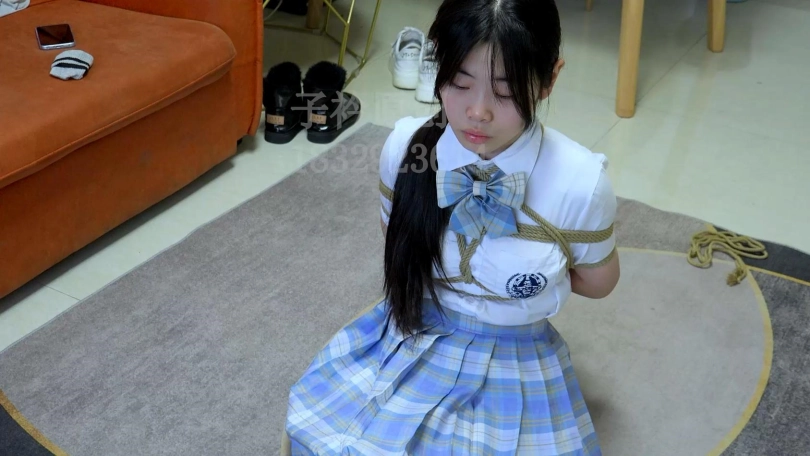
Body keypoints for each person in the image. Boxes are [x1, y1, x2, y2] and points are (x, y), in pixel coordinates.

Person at [285, 0, 620, 453]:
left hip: (516, 356)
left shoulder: (580, 182)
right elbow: (397, 239)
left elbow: (599, 283)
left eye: (505, 92)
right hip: (416, 326)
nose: (477, 111)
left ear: (550, 79)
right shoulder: (406, 148)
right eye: (460, 83)